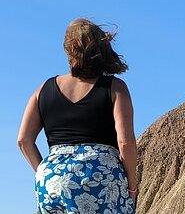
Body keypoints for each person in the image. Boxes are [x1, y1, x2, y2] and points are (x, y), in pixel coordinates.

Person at [16, 18, 138, 213]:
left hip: (51, 178)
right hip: (99, 176)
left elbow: (23, 140)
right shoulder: (115, 88)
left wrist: (47, 173)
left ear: (68, 50)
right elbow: (125, 142)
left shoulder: (42, 90)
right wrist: (132, 186)